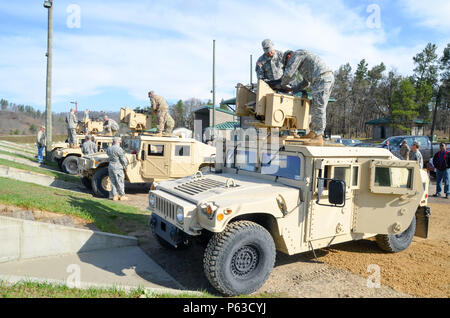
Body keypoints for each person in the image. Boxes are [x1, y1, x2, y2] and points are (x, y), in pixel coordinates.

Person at [281, 49, 335, 146]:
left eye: (287, 63)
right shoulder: (303, 62)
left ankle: (318, 138)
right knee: (317, 107)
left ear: (288, 57)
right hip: (323, 78)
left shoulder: (297, 55)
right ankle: (313, 133)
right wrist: (293, 89)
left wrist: (281, 84)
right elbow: (306, 82)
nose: (288, 64)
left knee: (318, 107)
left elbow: (288, 74)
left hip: (321, 78)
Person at [106, 137, 128, 201]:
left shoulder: (109, 149)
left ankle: (114, 196)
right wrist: (126, 167)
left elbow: (108, 154)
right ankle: (122, 195)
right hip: (118, 167)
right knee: (120, 181)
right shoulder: (119, 149)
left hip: (111, 166)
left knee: (113, 182)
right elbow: (123, 159)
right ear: (118, 142)